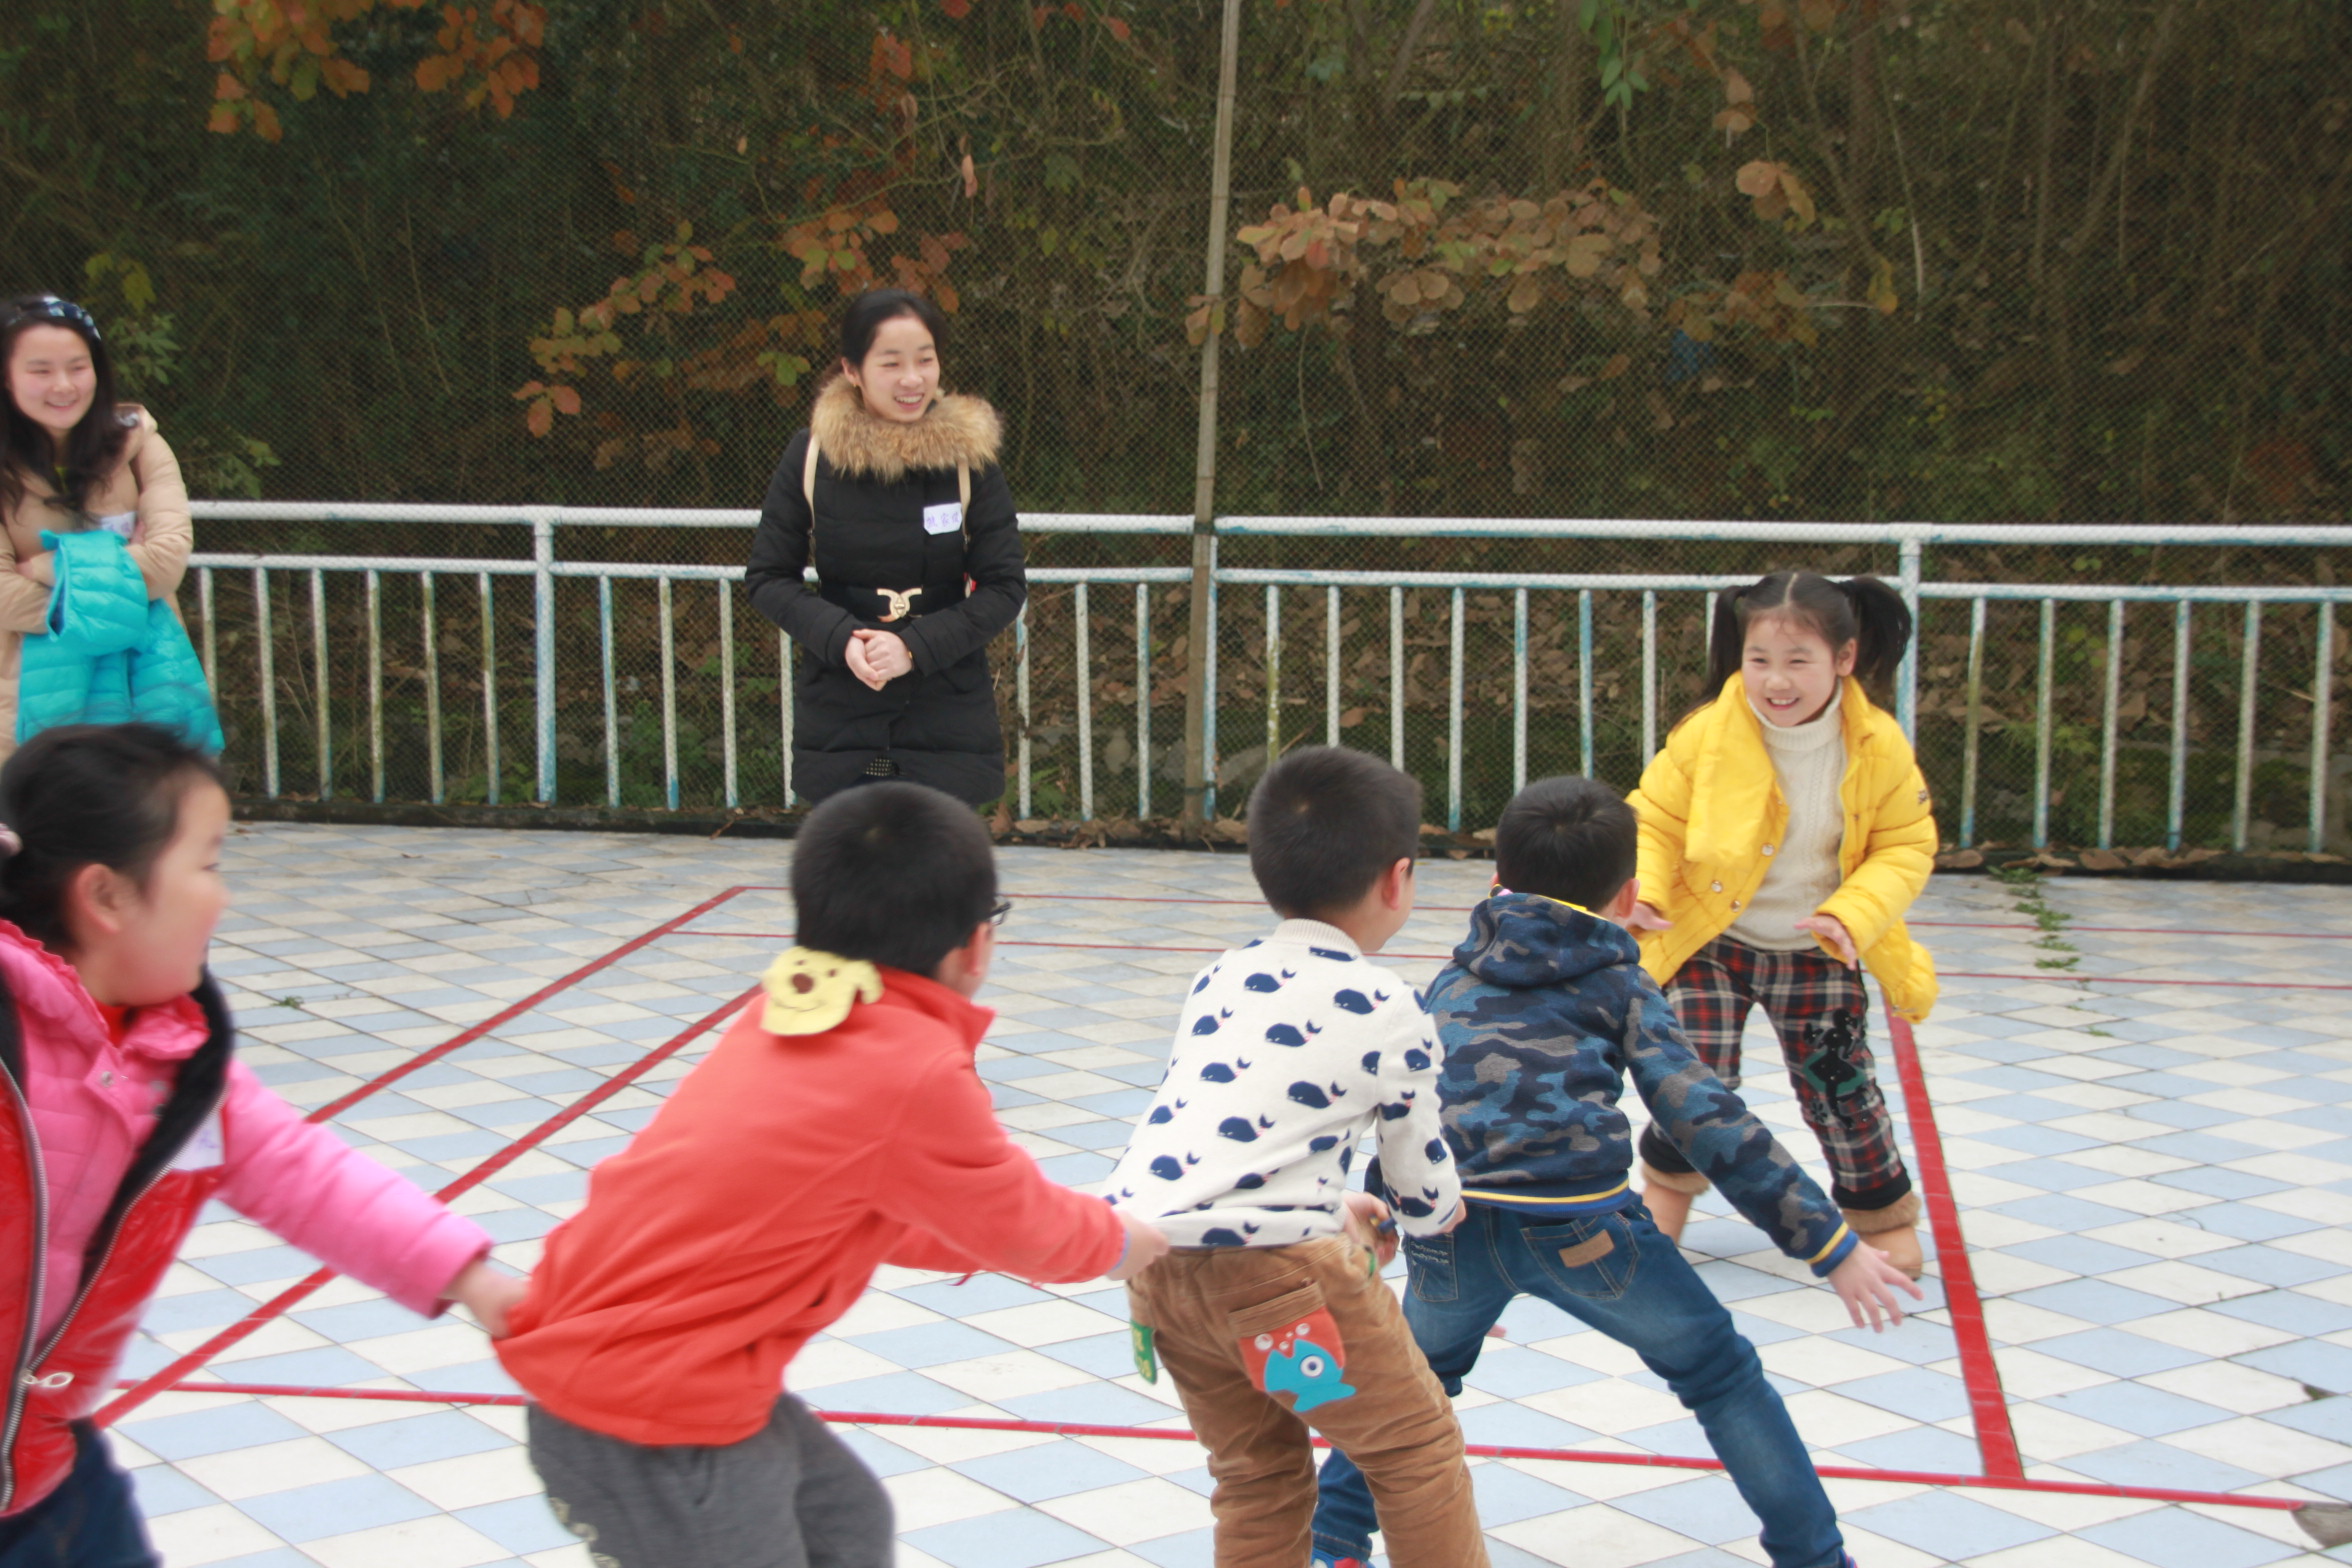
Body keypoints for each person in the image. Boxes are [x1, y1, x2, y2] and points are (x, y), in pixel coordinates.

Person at [495, 780, 1167, 1568]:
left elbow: (864, 1204)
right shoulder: (910, 1068)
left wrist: (974, 1240)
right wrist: (1127, 1240)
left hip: (651, 1369)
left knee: (844, 1523)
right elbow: (1029, 1229)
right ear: (975, 946)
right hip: (648, 1410)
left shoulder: (799, 1009)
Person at [1310, 776, 1920, 1568]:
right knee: (1721, 1376)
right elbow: (1704, 1114)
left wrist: (1387, 1209)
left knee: (1411, 1389)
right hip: (1589, 1231)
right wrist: (1826, 1242)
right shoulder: (1620, 985)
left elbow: (1408, 1107)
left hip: (1452, 1231)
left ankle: (1330, 1543)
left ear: (1497, 884)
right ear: (1629, 894)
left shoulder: (1451, 982)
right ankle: (1816, 1559)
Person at [0, 724, 521, 1567]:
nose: (224, 896)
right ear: (106, 897)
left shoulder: (174, 1061)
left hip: (45, 1464)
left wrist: (477, 1283)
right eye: (206, 864)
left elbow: (306, 1176)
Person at [1106, 746, 1486, 1568]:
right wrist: (1435, 1213)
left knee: (1256, 1473)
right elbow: (1418, 1174)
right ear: (1398, 881)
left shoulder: (1221, 975)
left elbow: (1238, 1130)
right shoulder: (1389, 1003)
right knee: (1413, 1450)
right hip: (1276, 1290)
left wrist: (1333, 1205)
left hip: (1159, 1269)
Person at [1627, 571, 1939, 1276]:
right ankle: (1661, 1209)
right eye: (1759, 659)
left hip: (1819, 941)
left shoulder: (1878, 744)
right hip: (1711, 937)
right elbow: (1654, 817)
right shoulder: (1706, 732)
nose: (1776, 681)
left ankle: (1879, 1212)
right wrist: (1642, 882)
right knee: (1694, 1073)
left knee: (1840, 1086)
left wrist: (1851, 913)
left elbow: (1906, 844)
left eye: (1799, 661)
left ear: (1845, 659)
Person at [744, 288, 1024, 805]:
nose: (912, 379)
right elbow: (767, 578)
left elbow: (1004, 586)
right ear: (852, 370)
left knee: (936, 873)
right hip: (842, 705)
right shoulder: (811, 454)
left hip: (946, 709)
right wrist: (843, 637)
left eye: (925, 359)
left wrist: (914, 647)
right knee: (857, 870)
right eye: (891, 363)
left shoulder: (969, 457)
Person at [0, 298, 194, 766]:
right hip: (17, 703)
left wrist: (46, 566)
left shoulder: (140, 444)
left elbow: (167, 563)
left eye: (77, 367)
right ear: (6, 377)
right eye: (40, 370)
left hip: (140, 686)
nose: (63, 385)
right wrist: (125, 581)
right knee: (33, 830)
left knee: (138, 828)